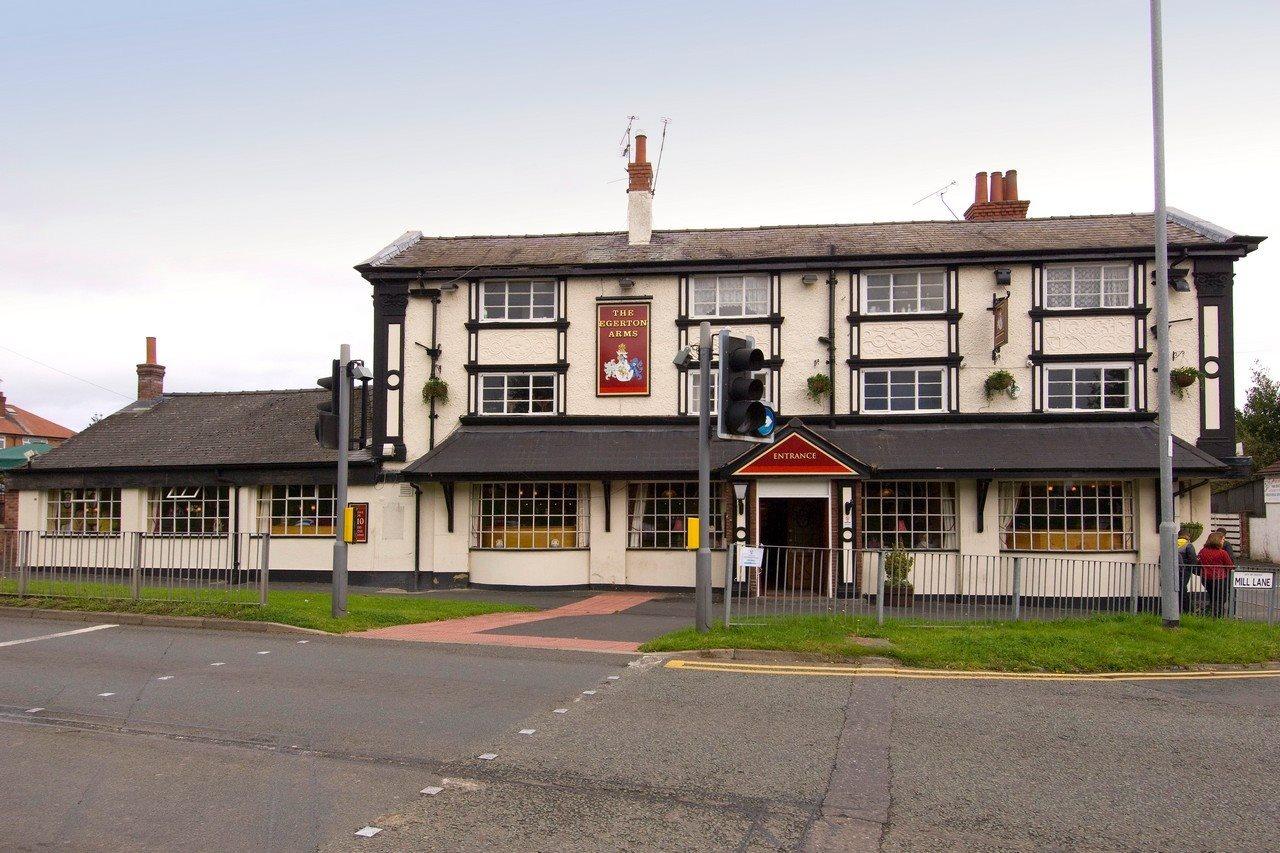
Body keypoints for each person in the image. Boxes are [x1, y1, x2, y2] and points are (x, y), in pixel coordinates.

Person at [1197, 531, 1235, 618]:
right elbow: (1229, 565)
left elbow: (1198, 562)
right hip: (1220, 578)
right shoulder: (1222, 553)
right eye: (1222, 539)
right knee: (1221, 598)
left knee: (1212, 597)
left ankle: (1212, 614)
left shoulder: (1203, 551)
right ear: (1218, 540)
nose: (1223, 542)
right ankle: (1218, 616)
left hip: (1206, 578)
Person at [1176, 525, 1200, 615]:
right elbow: (1193, 559)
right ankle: (1187, 609)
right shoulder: (1188, 545)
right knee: (1182, 588)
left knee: (1180, 588)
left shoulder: (1172, 543)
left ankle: (1188, 608)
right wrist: (1194, 568)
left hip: (1173, 570)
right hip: (1185, 570)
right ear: (1187, 536)